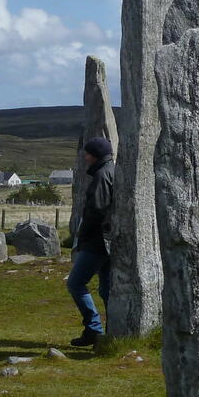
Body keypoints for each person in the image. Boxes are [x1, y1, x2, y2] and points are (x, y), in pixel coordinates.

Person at [67, 137, 115, 347]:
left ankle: (94, 329)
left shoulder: (101, 175)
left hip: (98, 240)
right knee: (106, 289)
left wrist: (82, 236)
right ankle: (114, 330)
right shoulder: (112, 171)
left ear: (95, 154)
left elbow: (96, 210)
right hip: (111, 240)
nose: (85, 158)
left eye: (87, 154)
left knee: (75, 283)